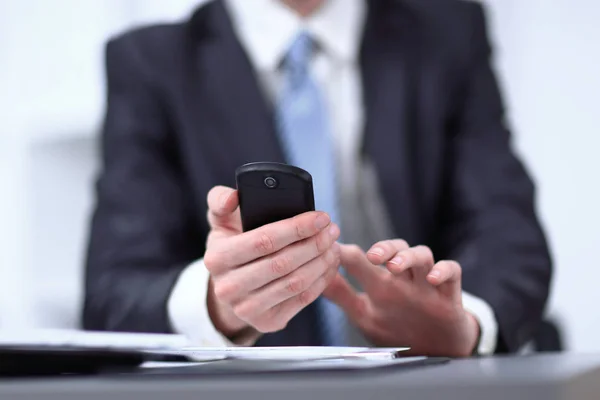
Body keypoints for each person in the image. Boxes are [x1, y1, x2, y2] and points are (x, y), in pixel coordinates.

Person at [83, 0, 552, 357]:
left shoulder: (447, 34)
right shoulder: (150, 62)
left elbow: (507, 236)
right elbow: (114, 290)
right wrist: (218, 304)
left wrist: (464, 324)